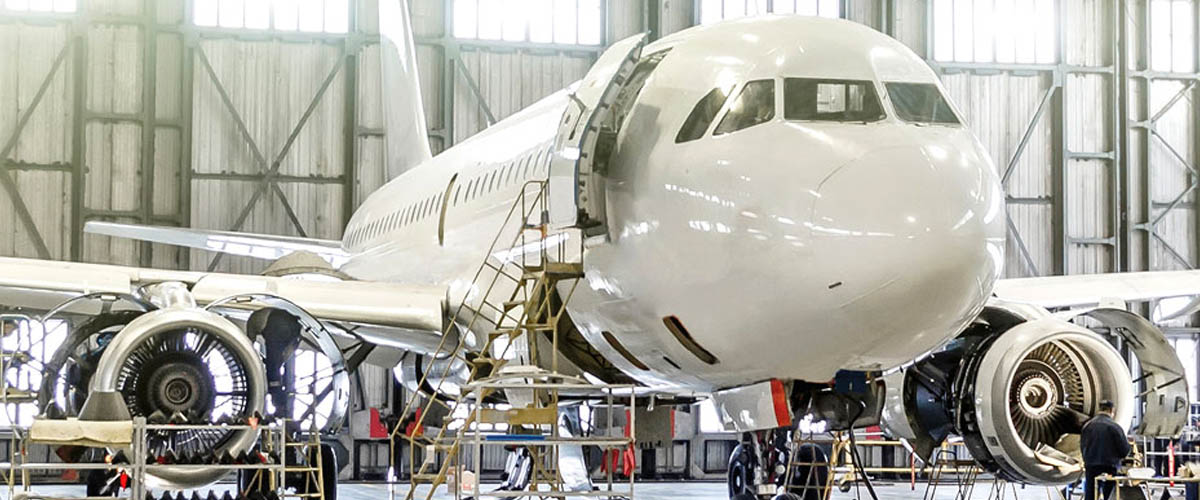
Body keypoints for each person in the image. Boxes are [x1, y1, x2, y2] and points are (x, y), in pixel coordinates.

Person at [1081, 400, 1132, 500]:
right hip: (1109, 466)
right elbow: (1124, 450)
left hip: (1091, 466)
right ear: (1111, 410)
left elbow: (1082, 446)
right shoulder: (1115, 427)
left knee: (1091, 493)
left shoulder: (1088, 426)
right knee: (1110, 495)